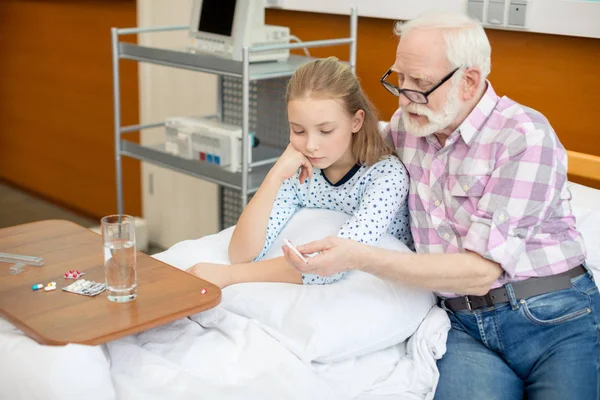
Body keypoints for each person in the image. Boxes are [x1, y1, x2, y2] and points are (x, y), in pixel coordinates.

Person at [283, 12, 599, 400]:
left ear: (468, 81)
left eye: (421, 84)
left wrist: (357, 256)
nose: (404, 97)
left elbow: (480, 271)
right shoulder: (408, 126)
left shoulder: (523, 137)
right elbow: (346, 149)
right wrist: (294, 151)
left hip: (551, 313)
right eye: (400, 79)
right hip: (463, 325)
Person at [187, 57, 412, 288]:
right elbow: (241, 254)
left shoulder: (386, 176)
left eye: (325, 130)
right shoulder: (302, 170)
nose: (311, 145)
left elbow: (333, 263)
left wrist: (230, 276)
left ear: (356, 121)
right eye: (298, 130)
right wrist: (275, 175)